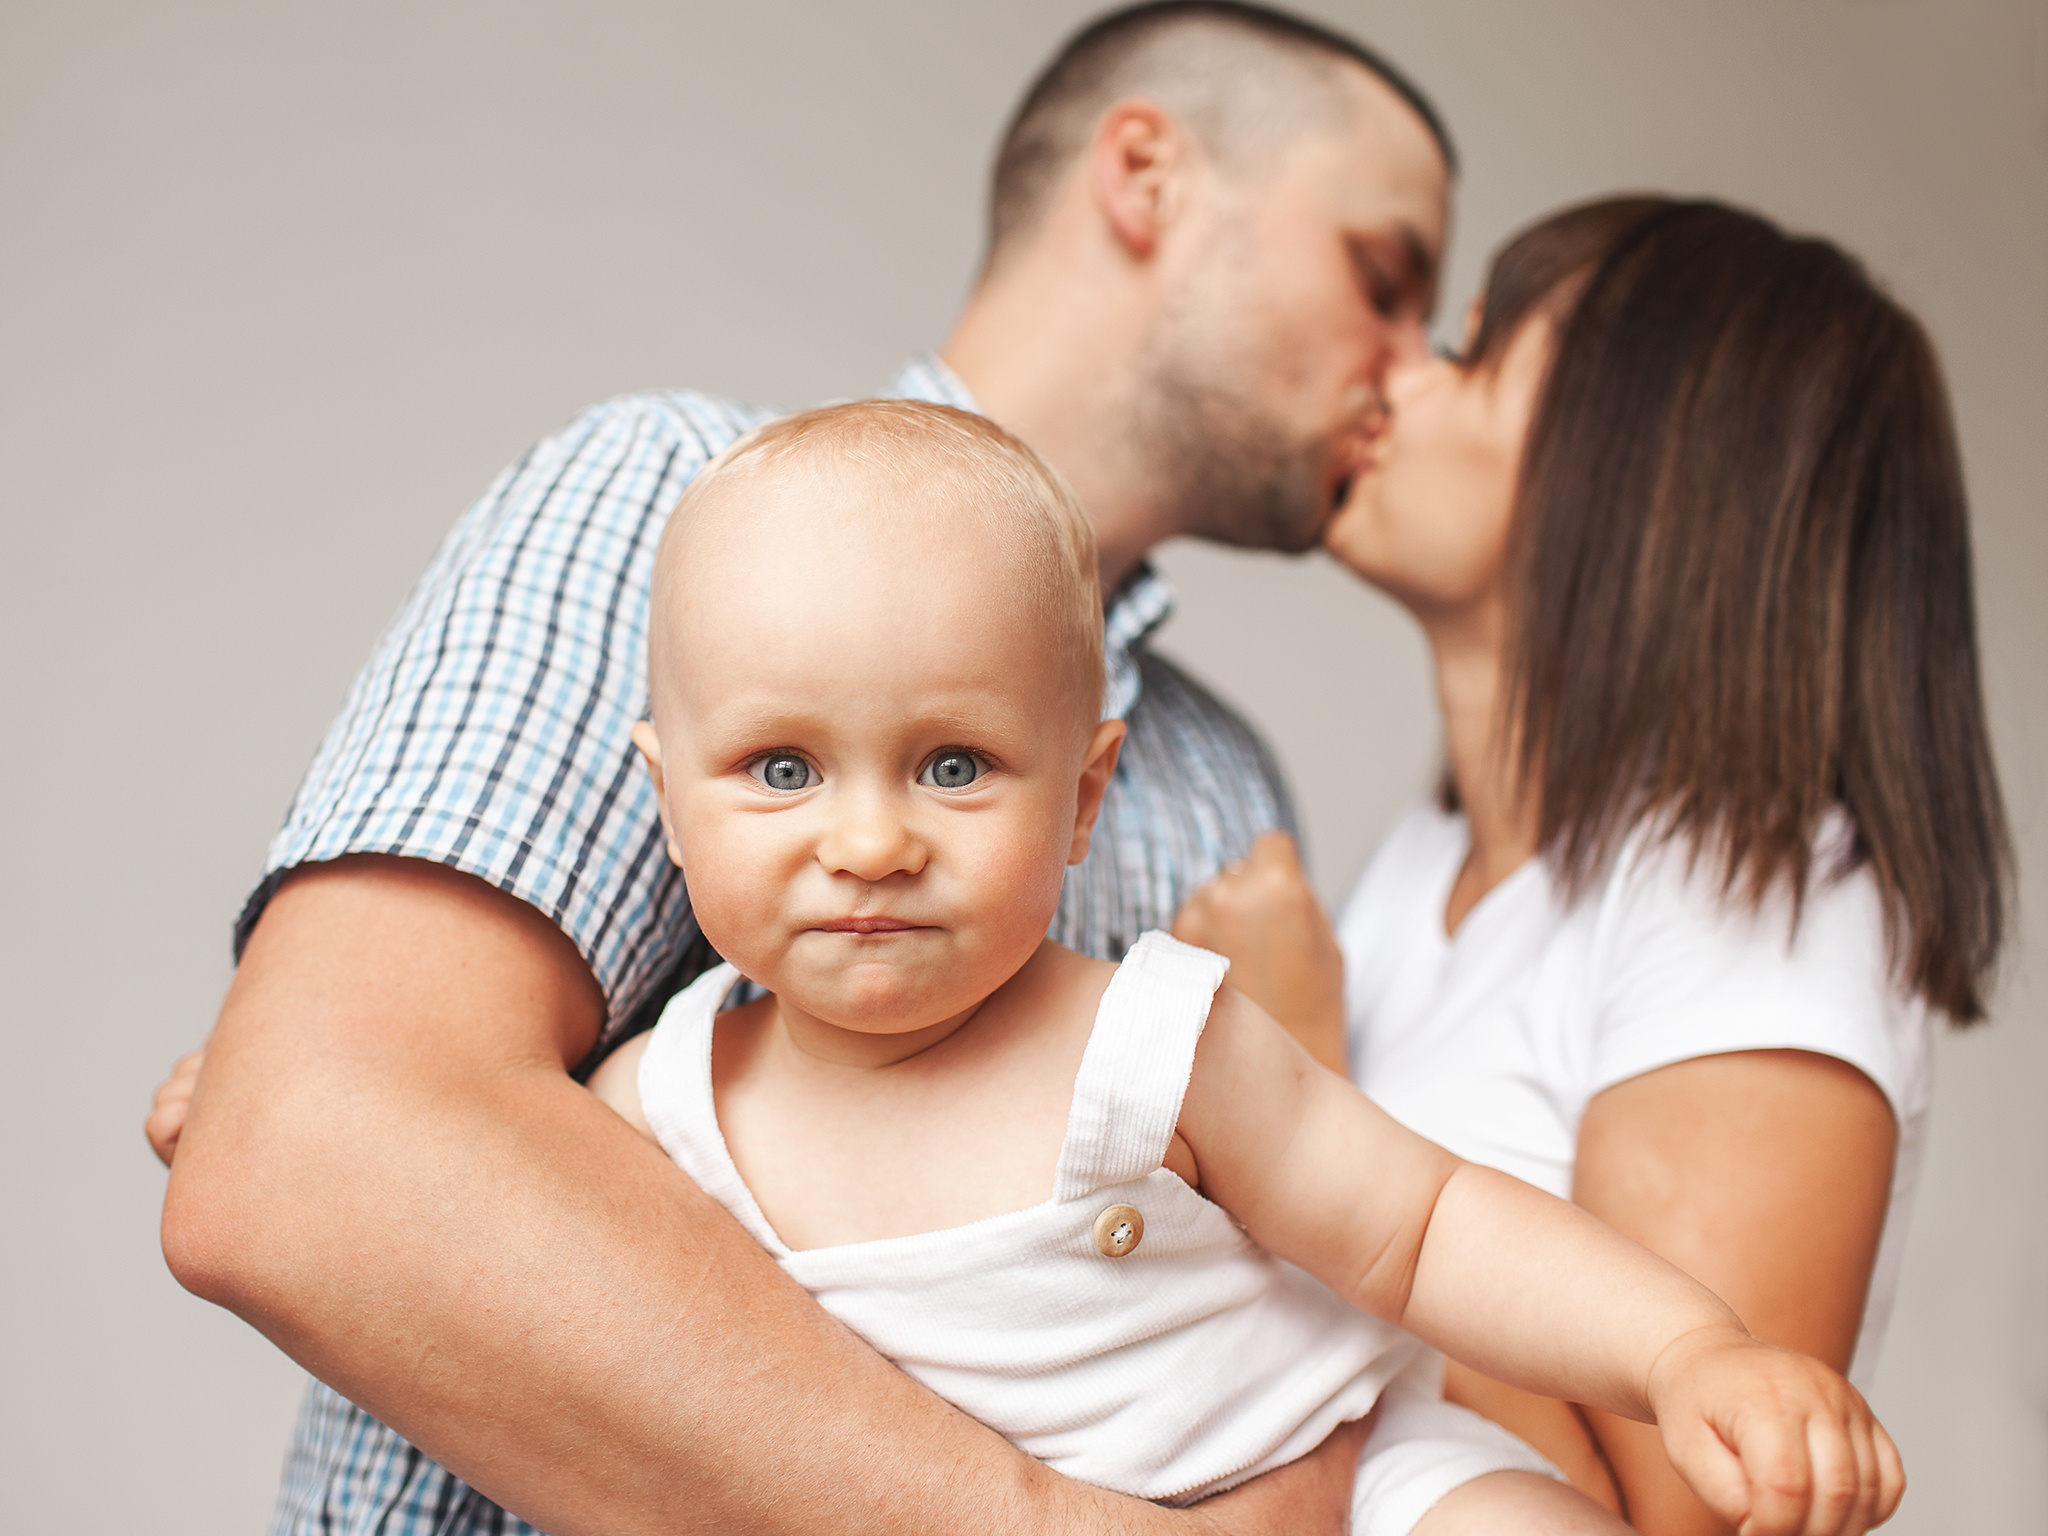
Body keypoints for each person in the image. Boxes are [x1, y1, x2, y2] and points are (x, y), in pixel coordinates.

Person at [149, 6, 1458, 1534]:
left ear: (1085, 783)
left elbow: (1256, 1373)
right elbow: (312, 1159)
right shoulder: (663, 504)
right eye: (1385, 279)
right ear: (1146, 175)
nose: (1413, 366)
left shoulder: (1231, 792)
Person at [593, 393, 1900, 1536]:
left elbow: (1426, 1227)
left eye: (954, 767)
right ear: (667, 797)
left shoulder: (1154, 1045)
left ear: (1083, 795)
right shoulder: (658, 1112)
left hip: (1347, 1468)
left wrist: (1683, 1351)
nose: (870, 842)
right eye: (782, 770)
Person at [1173, 196, 2012, 1533]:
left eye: (1478, 354)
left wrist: (1300, 1098)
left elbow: (1678, 1516)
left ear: (1654, 469)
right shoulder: (1425, 861)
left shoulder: (1760, 900)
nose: (1392, 375)